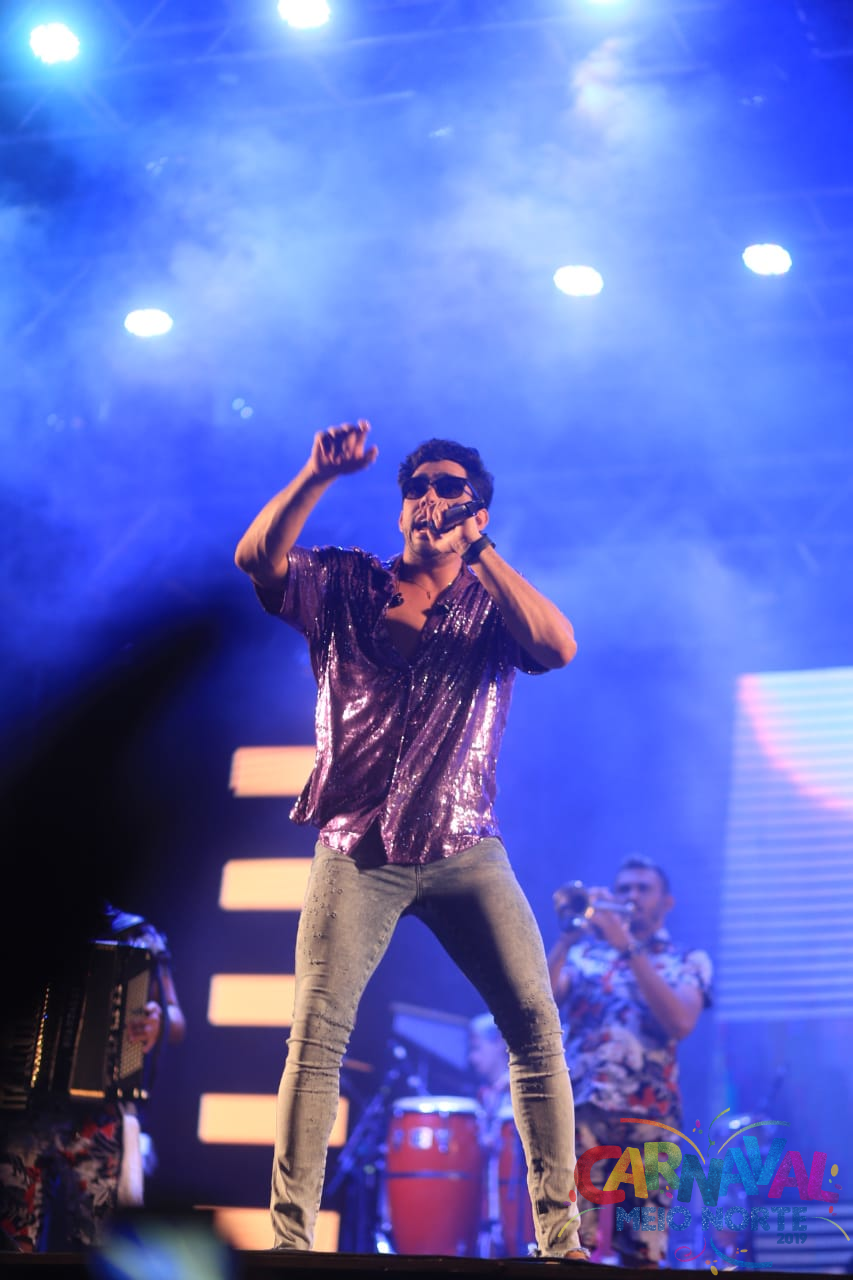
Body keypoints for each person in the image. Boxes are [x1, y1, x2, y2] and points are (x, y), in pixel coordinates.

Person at [233, 420, 587, 1258]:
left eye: (448, 488)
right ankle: (290, 1241)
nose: (428, 499)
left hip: (465, 846)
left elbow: (559, 646)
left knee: (535, 1030)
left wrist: (479, 550)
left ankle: (560, 1241)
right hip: (357, 847)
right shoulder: (346, 582)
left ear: (476, 512)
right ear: (398, 510)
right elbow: (256, 559)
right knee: (315, 1035)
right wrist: (315, 474)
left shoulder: (492, 605)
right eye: (416, 488)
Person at [548, 856, 713, 1268]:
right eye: (623, 889)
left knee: (645, 1251)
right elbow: (539, 1001)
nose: (631, 896)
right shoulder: (585, 955)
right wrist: (566, 940)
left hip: (652, 1123)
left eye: (643, 889)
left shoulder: (687, 959)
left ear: (667, 902)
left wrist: (628, 948)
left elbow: (680, 1021)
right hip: (583, 1115)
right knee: (572, 1244)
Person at [0, 905, 185, 1252]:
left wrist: (158, 1020)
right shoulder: (24, 921)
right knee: (13, 1245)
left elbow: (176, 1017)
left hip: (102, 1118)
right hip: (23, 1110)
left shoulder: (135, 933)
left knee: (102, 1247)